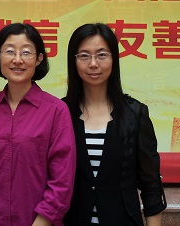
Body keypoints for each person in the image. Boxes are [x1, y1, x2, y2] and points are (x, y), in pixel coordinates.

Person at [0, 22, 76, 226]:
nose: (17, 60)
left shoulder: (56, 111)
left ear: (39, 59)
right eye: (9, 51)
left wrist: (42, 221)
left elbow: (62, 178)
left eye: (26, 52)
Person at [63, 23, 166, 226]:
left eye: (102, 55)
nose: (93, 63)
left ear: (114, 59)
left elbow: (151, 186)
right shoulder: (60, 113)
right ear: (73, 61)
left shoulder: (135, 114)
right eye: (84, 55)